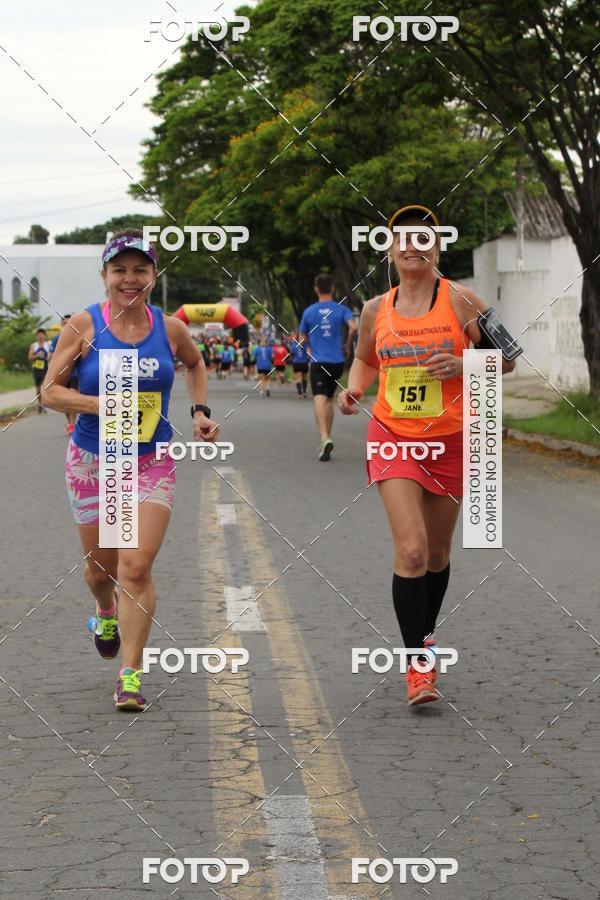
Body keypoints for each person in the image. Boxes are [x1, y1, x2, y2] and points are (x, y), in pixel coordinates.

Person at [339, 204, 517, 706]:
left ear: (437, 249)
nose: (413, 247)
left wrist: (462, 362)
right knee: (412, 550)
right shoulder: (376, 309)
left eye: (424, 240)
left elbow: (509, 358)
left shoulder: (462, 300)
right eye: (403, 240)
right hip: (393, 435)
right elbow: (364, 361)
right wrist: (353, 390)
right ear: (390, 251)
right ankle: (417, 664)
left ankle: (427, 637)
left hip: (452, 440)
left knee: (437, 553)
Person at [42, 229, 220, 711]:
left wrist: (199, 412)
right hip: (92, 460)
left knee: (135, 566)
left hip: (149, 459)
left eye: (140, 269)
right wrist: (98, 403)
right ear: (104, 276)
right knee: (102, 571)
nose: (130, 278)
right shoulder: (83, 325)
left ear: (153, 276)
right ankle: (104, 611)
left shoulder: (171, 328)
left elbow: (195, 363)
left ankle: (131, 672)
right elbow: (49, 392)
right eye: (120, 269)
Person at [299, 273, 357, 460]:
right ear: (332, 288)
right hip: (337, 361)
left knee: (319, 399)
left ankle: (324, 438)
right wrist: (347, 346)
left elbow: (302, 339)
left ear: (316, 288)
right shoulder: (341, 309)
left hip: (318, 362)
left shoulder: (309, 312)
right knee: (329, 399)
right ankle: (327, 438)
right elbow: (353, 327)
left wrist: (308, 348)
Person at [49, 314, 79, 433]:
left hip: (75, 373)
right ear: (62, 325)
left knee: (73, 397)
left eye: (69, 323)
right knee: (66, 400)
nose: (67, 326)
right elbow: (51, 355)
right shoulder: (57, 338)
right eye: (64, 323)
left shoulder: (79, 336)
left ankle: (71, 424)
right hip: (61, 373)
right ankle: (70, 421)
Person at [28, 328, 51, 413]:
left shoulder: (48, 345)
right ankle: (40, 404)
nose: (40, 336)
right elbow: (30, 357)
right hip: (36, 369)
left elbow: (51, 356)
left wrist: (46, 357)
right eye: (39, 334)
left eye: (42, 334)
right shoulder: (34, 345)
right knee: (38, 389)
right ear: (37, 336)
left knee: (44, 387)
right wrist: (37, 355)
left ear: (44, 335)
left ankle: (44, 404)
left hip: (46, 368)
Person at [290, 333, 309, 398]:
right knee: (304, 378)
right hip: (304, 362)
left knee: (298, 378)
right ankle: (304, 392)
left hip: (296, 363)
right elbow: (309, 354)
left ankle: (299, 393)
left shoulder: (294, 345)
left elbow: (292, 353)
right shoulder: (306, 345)